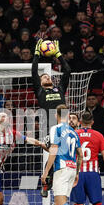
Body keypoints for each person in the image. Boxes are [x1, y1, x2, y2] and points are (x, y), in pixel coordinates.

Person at [34, 105, 95, 205]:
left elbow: (54, 150)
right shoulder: (74, 132)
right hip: (72, 168)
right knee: (59, 202)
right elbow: (80, 154)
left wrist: (45, 172)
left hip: (61, 168)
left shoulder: (56, 128)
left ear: (56, 115)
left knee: (60, 203)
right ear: (68, 116)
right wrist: (77, 172)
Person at [32, 38, 71, 195]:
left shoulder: (59, 89)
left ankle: (63, 180)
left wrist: (58, 54)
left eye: (48, 76)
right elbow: (34, 71)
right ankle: (46, 182)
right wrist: (36, 54)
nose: (47, 77)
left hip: (65, 126)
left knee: (66, 154)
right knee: (53, 153)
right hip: (50, 127)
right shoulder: (40, 91)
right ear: (40, 83)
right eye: (44, 77)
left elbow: (67, 70)